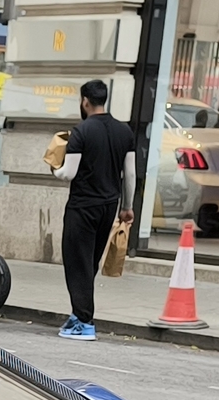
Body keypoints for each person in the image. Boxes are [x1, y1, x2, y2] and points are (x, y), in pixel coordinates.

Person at [50, 78, 135, 341]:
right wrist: (127, 208)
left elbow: (68, 173)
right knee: (90, 262)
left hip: (82, 206)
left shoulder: (81, 132)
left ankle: (84, 322)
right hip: (109, 206)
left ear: (85, 101)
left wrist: (54, 168)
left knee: (77, 262)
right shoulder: (125, 132)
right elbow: (130, 174)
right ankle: (79, 314)